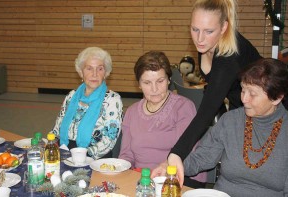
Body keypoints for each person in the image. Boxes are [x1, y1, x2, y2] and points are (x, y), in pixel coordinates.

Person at [151, 0, 262, 185]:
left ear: (224, 27)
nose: (200, 38)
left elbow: (206, 112)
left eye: (208, 31)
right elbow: (218, 94)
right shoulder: (205, 46)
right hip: (241, 106)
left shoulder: (229, 58)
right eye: (195, 29)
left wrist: (175, 154)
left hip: (271, 109)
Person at [182, 58, 288, 196]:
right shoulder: (231, 121)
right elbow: (202, 158)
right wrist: (172, 165)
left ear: (277, 98)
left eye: (253, 94)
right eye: (243, 90)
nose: (244, 99)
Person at [118, 51, 207, 188]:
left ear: (169, 80)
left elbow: (187, 152)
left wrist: (165, 168)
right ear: (139, 85)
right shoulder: (131, 112)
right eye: (147, 82)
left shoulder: (183, 107)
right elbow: (126, 156)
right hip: (144, 180)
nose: (154, 89)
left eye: (160, 81)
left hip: (179, 179)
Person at [51, 47, 123, 159]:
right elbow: (56, 130)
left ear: (105, 73)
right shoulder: (71, 96)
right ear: (81, 72)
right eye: (89, 68)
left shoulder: (112, 99)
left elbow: (109, 140)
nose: (94, 74)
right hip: (64, 152)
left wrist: (81, 156)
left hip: (93, 158)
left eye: (100, 69)